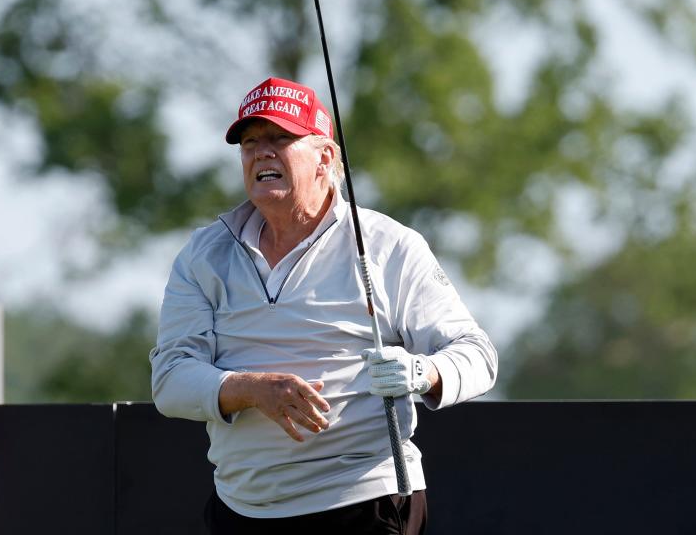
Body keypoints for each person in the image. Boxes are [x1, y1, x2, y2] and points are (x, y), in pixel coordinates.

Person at [150, 77, 498, 534]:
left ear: (325, 158)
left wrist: (421, 372)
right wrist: (253, 389)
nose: (261, 153)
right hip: (243, 509)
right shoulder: (203, 253)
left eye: (280, 138)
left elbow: (477, 354)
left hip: (365, 502)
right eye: (250, 143)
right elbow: (171, 379)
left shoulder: (388, 245)